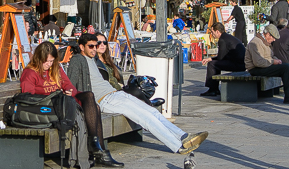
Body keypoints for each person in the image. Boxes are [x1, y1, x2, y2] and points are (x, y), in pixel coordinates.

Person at [68, 31, 207, 156]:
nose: (94, 48)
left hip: (116, 94)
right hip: (105, 100)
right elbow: (71, 83)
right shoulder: (78, 59)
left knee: (152, 111)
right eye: (91, 46)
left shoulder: (93, 59)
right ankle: (177, 146)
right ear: (82, 47)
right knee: (145, 118)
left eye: (96, 45)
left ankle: (183, 136)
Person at [22, 40, 116, 167]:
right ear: (38, 59)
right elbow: (29, 98)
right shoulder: (30, 73)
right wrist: (54, 95)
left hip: (64, 101)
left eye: (51, 61)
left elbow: (69, 85)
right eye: (46, 61)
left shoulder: (55, 68)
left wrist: (69, 91)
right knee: (95, 108)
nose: (49, 64)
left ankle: (96, 145)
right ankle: (99, 150)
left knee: (90, 97)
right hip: (49, 107)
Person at [244, 24, 289, 104]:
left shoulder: (265, 42)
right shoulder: (255, 42)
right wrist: (273, 61)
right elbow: (258, 62)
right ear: (268, 34)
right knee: (285, 68)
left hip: (264, 65)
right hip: (255, 69)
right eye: (273, 37)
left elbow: (270, 55)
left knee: (286, 66)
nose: (274, 40)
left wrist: (276, 60)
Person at [200, 22, 246, 96]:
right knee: (215, 63)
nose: (212, 34)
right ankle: (215, 89)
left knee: (212, 64)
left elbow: (220, 58)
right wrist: (211, 58)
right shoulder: (227, 37)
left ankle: (212, 89)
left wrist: (211, 60)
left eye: (212, 32)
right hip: (241, 63)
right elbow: (222, 57)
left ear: (217, 31)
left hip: (238, 65)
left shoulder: (222, 40)